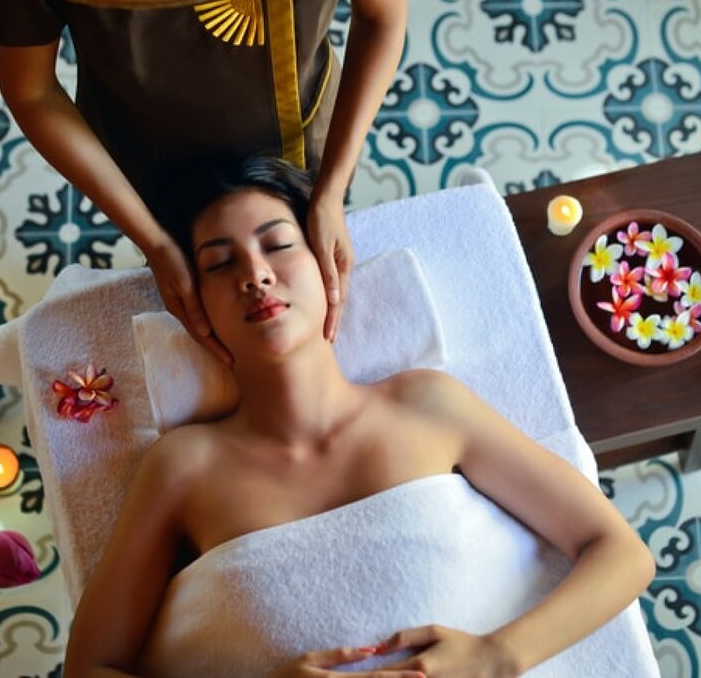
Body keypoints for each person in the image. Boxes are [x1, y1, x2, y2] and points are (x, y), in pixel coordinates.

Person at [63, 154, 655, 678]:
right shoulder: (182, 466)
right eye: (219, 264)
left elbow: (619, 551)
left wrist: (498, 657)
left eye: (278, 244)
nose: (255, 275)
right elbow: (91, 668)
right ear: (193, 304)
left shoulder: (425, 404)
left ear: (328, 262)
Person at [0, 0, 422, 360]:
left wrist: (329, 190)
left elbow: (382, 17)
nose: (257, 277)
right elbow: (32, 90)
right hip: (155, 173)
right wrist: (154, 240)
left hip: (302, 148)